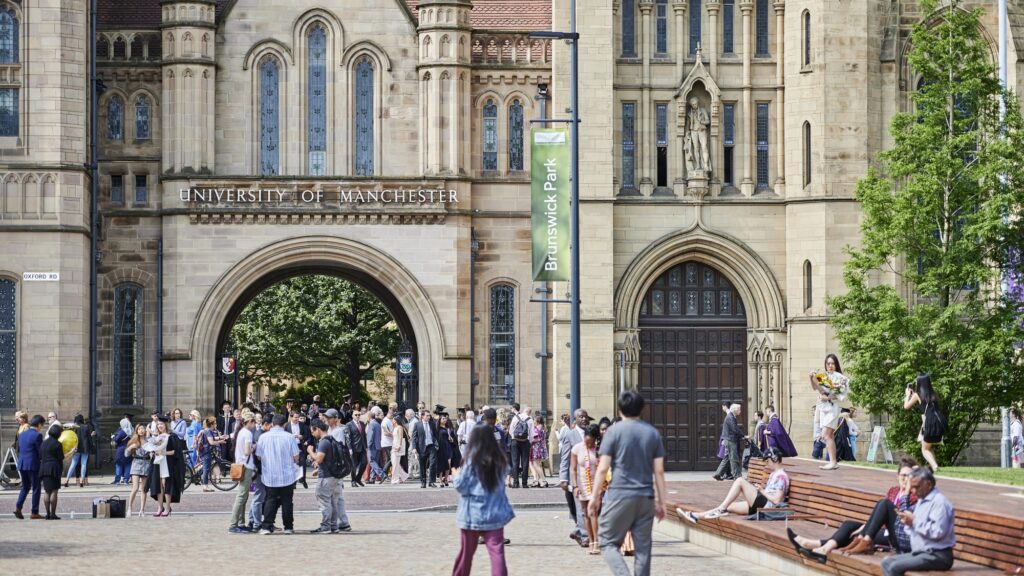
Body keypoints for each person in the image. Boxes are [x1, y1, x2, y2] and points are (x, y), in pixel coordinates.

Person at [588, 390, 667, 576]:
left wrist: (594, 497)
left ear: (620, 409)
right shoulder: (652, 433)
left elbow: (602, 468)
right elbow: (659, 471)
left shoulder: (613, 432)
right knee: (643, 548)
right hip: (645, 496)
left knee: (607, 542)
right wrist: (661, 502)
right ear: (642, 408)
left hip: (619, 495)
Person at [788, 456, 919, 562]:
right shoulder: (893, 491)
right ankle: (821, 547)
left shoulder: (914, 495)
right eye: (903, 475)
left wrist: (866, 529)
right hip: (880, 529)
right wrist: (865, 527)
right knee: (849, 525)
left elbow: (901, 518)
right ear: (897, 476)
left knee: (880, 507)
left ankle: (818, 547)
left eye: (909, 476)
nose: (905, 479)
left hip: (892, 535)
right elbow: (880, 516)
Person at [451, 425, 515, 576]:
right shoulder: (500, 460)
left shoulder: (471, 460)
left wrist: (455, 475)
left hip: (472, 513)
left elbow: (461, 486)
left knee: (466, 554)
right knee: (497, 553)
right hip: (494, 513)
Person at [880, 468, 956, 576]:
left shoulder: (940, 503)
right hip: (921, 552)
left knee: (895, 567)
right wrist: (908, 522)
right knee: (886, 563)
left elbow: (938, 532)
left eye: (917, 487)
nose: (914, 491)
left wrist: (914, 522)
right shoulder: (921, 500)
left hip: (938, 555)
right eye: (912, 487)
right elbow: (915, 529)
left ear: (929, 484)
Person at [680, 448, 789, 522]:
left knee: (740, 481)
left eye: (767, 461)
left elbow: (777, 501)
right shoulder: (774, 474)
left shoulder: (781, 476)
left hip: (767, 507)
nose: (766, 463)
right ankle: (697, 516)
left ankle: (720, 509)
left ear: (774, 459)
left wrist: (761, 490)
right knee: (730, 506)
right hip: (763, 503)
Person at [257, 413, 301, 535]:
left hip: (270, 474)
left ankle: (266, 526)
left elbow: (259, 456)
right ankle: (288, 527)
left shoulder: (264, 437)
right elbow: (296, 456)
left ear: (272, 423)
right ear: (284, 424)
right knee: (287, 501)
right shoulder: (289, 437)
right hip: (287, 475)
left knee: (270, 500)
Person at [307, 418, 352, 533]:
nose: (312, 434)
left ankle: (326, 526)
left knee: (323, 499)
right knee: (332, 501)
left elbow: (319, 458)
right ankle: (333, 526)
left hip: (326, 476)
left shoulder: (323, 442)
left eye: (312, 431)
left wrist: (310, 451)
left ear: (316, 429)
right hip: (334, 475)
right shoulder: (332, 439)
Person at [808, 353, 849, 470]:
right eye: (828, 363)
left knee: (825, 435)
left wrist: (828, 398)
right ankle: (833, 461)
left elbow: (841, 395)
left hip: (832, 409)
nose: (830, 365)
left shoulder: (841, 377)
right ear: (825, 365)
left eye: (832, 363)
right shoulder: (823, 376)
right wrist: (811, 378)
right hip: (823, 409)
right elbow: (815, 388)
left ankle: (833, 461)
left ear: (836, 365)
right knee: (829, 435)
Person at [560, 408, 590, 547]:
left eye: (585, 417)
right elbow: (565, 458)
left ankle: (578, 530)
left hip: (592, 475)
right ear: (575, 419)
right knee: (580, 507)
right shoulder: (570, 435)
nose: (584, 419)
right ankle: (584, 535)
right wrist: (563, 478)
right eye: (581, 417)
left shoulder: (591, 433)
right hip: (577, 476)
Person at [570, 424, 602, 555]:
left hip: (596, 484)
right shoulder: (577, 448)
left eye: (591, 442)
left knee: (593, 512)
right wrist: (575, 486)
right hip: (582, 485)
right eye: (586, 441)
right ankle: (590, 540)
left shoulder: (599, 450)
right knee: (586, 514)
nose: (588, 444)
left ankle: (596, 543)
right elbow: (573, 469)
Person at [904, 373, 945, 472]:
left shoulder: (918, 395)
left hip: (929, 423)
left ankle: (935, 466)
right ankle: (933, 467)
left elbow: (906, 406)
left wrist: (907, 396)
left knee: (924, 450)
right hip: (939, 422)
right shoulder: (933, 394)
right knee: (929, 446)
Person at [147, 417, 184, 517]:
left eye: (161, 424)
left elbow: (176, 452)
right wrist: (151, 452)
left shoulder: (172, 437)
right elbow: (153, 448)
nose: (160, 426)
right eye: (158, 424)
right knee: (158, 485)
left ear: (165, 425)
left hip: (168, 463)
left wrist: (164, 452)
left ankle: (167, 507)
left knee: (166, 484)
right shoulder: (156, 437)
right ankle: (160, 507)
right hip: (157, 463)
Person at [228, 413, 258, 533]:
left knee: (243, 496)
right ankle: (234, 524)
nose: (255, 424)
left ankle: (240, 522)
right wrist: (254, 447)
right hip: (246, 466)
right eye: (253, 421)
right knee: (241, 496)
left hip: (241, 465)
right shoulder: (248, 433)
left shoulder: (241, 432)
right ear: (249, 421)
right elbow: (247, 451)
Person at [14, 414, 44, 520]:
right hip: (33, 464)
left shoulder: (22, 434)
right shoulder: (37, 435)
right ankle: (34, 512)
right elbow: (40, 452)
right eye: (42, 425)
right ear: (39, 425)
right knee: (36, 488)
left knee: (25, 487)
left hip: (22, 463)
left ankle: (18, 507)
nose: (42, 428)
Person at [248, 414, 273, 531]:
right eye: (271, 426)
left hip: (260, 469)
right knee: (259, 497)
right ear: (266, 424)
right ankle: (256, 523)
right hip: (259, 470)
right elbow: (259, 455)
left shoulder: (260, 434)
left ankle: (252, 520)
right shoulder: (260, 435)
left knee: (259, 496)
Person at [195, 416, 228, 492]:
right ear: (212, 424)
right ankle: (205, 486)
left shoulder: (207, 430)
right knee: (206, 469)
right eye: (215, 423)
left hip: (205, 451)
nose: (216, 424)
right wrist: (221, 441)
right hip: (206, 452)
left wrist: (221, 437)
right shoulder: (208, 431)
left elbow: (213, 438)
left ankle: (198, 475)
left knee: (205, 467)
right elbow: (211, 442)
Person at [39, 424, 65, 520]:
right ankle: (53, 514)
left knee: (47, 491)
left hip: (44, 468)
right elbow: (60, 458)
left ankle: (47, 514)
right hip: (54, 468)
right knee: (54, 491)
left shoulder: (43, 443)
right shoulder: (58, 444)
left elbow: (40, 456)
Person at [126, 424, 151, 517]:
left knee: (144, 489)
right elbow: (126, 454)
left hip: (146, 464)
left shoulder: (148, 441)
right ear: (137, 431)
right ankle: (129, 508)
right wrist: (130, 448)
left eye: (143, 428)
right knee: (135, 488)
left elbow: (153, 450)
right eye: (140, 429)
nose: (142, 430)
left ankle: (142, 510)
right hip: (136, 463)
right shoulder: (134, 441)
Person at [713, 404, 743, 481]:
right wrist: (743, 435)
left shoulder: (731, 416)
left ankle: (718, 474)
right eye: (739, 409)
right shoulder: (730, 417)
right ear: (735, 410)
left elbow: (734, 429)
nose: (740, 411)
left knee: (726, 458)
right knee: (733, 458)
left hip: (729, 439)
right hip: (730, 440)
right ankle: (737, 476)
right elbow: (734, 429)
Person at [64, 414, 95, 488]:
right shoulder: (86, 427)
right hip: (85, 448)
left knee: (73, 464)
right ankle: (81, 481)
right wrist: (91, 447)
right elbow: (89, 439)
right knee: (83, 464)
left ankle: (67, 480)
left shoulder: (74, 427)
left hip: (76, 447)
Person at [412, 409, 439, 488]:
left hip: (431, 446)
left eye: (429, 415)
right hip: (421, 447)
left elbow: (435, 435)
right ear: (422, 416)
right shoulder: (417, 425)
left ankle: (431, 481)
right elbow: (413, 437)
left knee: (433, 464)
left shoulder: (432, 424)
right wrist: (414, 447)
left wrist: (437, 445)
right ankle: (423, 481)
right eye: (427, 415)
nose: (429, 417)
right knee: (422, 465)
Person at [508, 404, 533, 489]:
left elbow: (511, 429)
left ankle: (516, 483)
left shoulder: (516, 417)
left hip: (515, 441)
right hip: (525, 442)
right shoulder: (530, 420)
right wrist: (529, 442)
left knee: (515, 462)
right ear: (530, 413)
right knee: (525, 462)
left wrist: (514, 437)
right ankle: (525, 483)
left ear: (523, 410)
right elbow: (531, 434)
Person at [346, 410, 368, 487]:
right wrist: (349, 448)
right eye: (356, 415)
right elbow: (348, 437)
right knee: (354, 465)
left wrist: (366, 447)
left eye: (359, 415)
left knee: (364, 463)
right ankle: (353, 480)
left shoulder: (362, 424)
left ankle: (358, 478)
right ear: (352, 416)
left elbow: (364, 436)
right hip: (354, 448)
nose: (358, 416)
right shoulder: (349, 425)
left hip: (362, 447)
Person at [528, 413, 548, 487]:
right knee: (537, 465)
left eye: (534, 420)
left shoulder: (536, 428)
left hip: (536, 448)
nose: (533, 421)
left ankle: (544, 480)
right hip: (541, 448)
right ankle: (537, 481)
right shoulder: (543, 427)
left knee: (536, 465)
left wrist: (529, 440)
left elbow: (536, 439)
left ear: (537, 421)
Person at [390, 413, 410, 484]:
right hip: (394, 445)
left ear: (396, 420)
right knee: (395, 463)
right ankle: (404, 476)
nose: (392, 420)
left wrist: (399, 446)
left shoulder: (400, 427)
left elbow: (400, 437)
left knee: (395, 463)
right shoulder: (395, 427)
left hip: (398, 446)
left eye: (393, 419)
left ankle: (395, 479)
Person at [111, 420, 132, 485]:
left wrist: (113, 437)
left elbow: (116, 439)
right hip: (129, 449)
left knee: (119, 465)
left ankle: (117, 480)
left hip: (121, 449)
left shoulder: (122, 431)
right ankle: (126, 480)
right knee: (128, 465)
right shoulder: (131, 431)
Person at [436, 412, 454, 487]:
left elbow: (452, 439)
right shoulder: (437, 428)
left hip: (447, 446)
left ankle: (446, 479)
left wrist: (451, 439)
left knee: (448, 464)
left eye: (445, 418)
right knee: (441, 464)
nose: (445, 420)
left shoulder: (448, 428)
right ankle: (440, 480)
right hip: (440, 447)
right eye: (443, 418)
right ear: (440, 419)